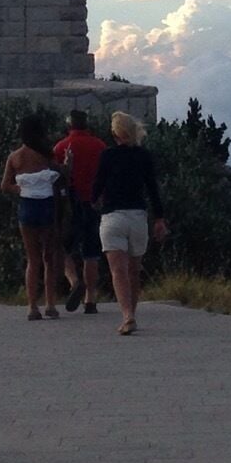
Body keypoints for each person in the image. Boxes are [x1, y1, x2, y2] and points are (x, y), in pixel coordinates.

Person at [90, 109, 166, 336]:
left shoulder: (107, 155)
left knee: (118, 271)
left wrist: (94, 200)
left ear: (115, 134)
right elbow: (153, 189)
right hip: (137, 217)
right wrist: (159, 218)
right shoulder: (144, 156)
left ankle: (127, 316)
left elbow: (97, 185)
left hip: (113, 216)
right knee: (134, 270)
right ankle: (130, 314)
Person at [0, 111, 64, 321]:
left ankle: (32, 306)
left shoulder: (15, 156)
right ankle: (51, 304)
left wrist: (22, 188)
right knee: (49, 257)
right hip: (46, 206)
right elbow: (61, 175)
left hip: (27, 207)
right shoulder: (47, 154)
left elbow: (5, 185)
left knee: (32, 258)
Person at [52, 108, 108, 315]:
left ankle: (75, 281)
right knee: (91, 252)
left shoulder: (60, 147)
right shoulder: (100, 146)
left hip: (71, 204)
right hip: (94, 203)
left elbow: (54, 176)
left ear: (69, 125)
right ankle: (90, 298)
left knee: (62, 247)